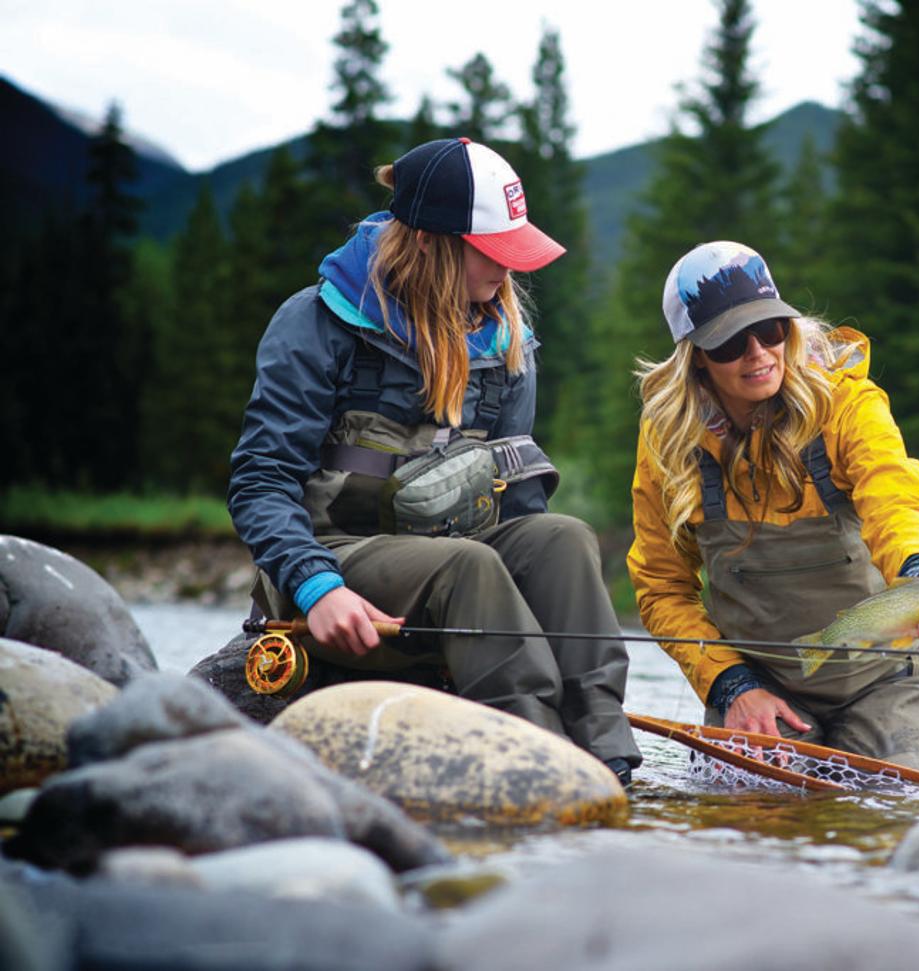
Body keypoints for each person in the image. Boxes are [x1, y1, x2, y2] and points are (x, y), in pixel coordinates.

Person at [228, 137, 640, 784]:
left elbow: (516, 499)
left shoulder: (508, 344)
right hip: (337, 557)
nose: (509, 272)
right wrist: (316, 587)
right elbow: (260, 481)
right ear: (428, 241)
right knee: (469, 565)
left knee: (563, 538)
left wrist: (527, 626)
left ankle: (608, 755)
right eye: (492, 254)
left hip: (452, 568)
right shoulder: (315, 323)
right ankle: (538, 765)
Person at [628, 241, 919, 776]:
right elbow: (661, 587)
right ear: (695, 357)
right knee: (755, 821)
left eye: (769, 329)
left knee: (902, 810)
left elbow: (893, 489)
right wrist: (731, 685)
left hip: (888, 682)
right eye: (729, 341)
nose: (758, 352)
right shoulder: (671, 440)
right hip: (759, 689)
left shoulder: (845, 402)